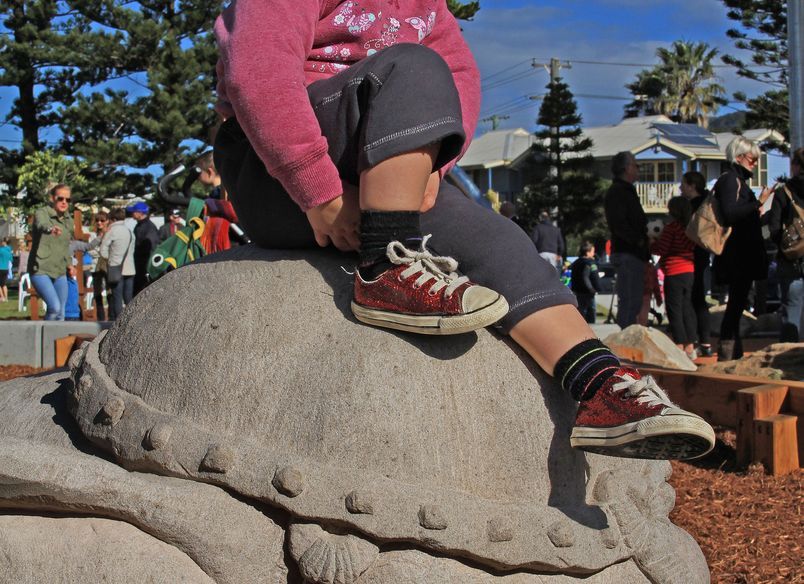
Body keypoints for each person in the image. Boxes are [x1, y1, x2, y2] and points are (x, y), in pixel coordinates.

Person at [212, 0, 715, 460]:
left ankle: (598, 386)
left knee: (497, 240)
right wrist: (318, 193)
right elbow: (257, 71)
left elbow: (462, 77)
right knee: (411, 66)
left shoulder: (428, 6)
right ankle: (386, 265)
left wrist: (433, 166)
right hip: (273, 169)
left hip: (371, 173)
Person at [712, 137, 776, 361]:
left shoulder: (736, 180)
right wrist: (758, 202)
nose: (755, 163)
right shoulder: (731, 180)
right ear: (739, 157)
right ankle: (727, 353)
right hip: (737, 256)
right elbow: (731, 213)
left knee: (737, 305)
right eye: (752, 158)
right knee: (735, 305)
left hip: (741, 255)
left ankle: (732, 352)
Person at [605, 151, 649, 329]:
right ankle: (625, 340)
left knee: (634, 300)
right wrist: (637, 241)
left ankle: (627, 334)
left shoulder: (625, 191)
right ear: (626, 168)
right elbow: (619, 223)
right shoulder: (618, 192)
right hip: (628, 252)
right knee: (630, 300)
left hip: (633, 252)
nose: (638, 169)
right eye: (635, 165)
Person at [652, 197, 697, 359]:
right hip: (689, 270)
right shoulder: (691, 228)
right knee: (687, 308)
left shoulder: (671, 228)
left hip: (673, 271)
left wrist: (651, 243)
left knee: (674, 309)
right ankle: (690, 346)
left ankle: (679, 344)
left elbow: (662, 249)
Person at [767, 147, 804, 342]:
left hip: (791, 262)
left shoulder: (784, 193)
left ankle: (788, 359)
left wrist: (786, 243)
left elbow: (773, 230)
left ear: (795, 166)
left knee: (791, 312)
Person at [28, 184, 76, 320]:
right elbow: (41, 225)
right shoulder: (42, 213)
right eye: (60, 198)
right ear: (52, 198)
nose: (64, 202)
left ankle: (56, 341)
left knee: (61, 313)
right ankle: (47, 340)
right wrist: (51, 229)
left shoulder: (68, 220)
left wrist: (70, 265)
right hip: (40, 269)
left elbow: (65, 247)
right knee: (54, 307)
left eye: (68, 200)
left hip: (60, 271)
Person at [680, 171, 713, 356]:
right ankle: (705, 342)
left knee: (692, 301)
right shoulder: (708, 204)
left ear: (692, 185)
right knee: (700, 300)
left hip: (689, 258)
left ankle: (693, 342)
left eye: (683, 184)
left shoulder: (691, 207)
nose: (680, 188)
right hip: (702, 255)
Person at [100, 207, 135, 321]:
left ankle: (119, 323)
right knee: (129, 299)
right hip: (130, 268)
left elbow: (103, 250)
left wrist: (110, 259)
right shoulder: (130, 231)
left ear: (113, 219)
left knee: (117, 297)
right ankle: (129, 321)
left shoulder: (112, 231)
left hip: (116, 268)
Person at [126, 201, 160, 296]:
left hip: (144, 265)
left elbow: (151, 246)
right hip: (139, 264)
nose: (132, 213)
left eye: (134, 211)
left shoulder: (149, 227)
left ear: (140, 213)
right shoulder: (139, 225)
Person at [569, 241, 601, 323]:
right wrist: (591, 288)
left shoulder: (576, 262)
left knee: (581, 310)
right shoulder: (587, 263)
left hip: (578, 291)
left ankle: (581, 325)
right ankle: (591, 326)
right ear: (587, 252)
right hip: (587, 292)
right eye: (593, 251)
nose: (594, 254)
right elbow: (585, 277)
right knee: (590, 309)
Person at [90, 212, 110, 321]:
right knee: (97, 292)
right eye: (97, 220)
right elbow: (90, 250)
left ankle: (112, 316)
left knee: (109, 291)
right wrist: (101, 251)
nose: (99, 223)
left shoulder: (110, 234)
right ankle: (100, 317)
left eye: (102, 220)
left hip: (107, 267)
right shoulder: (93, 235)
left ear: (107, 221)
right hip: (95, 267)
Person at [0, 238, 12, 302]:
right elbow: (11, 260)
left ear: (4, 242)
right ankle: (6, 298)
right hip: (6, 268)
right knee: (4, 284)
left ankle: (2, 297)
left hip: (0, 268)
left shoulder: (1, 250)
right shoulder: (9, 250)